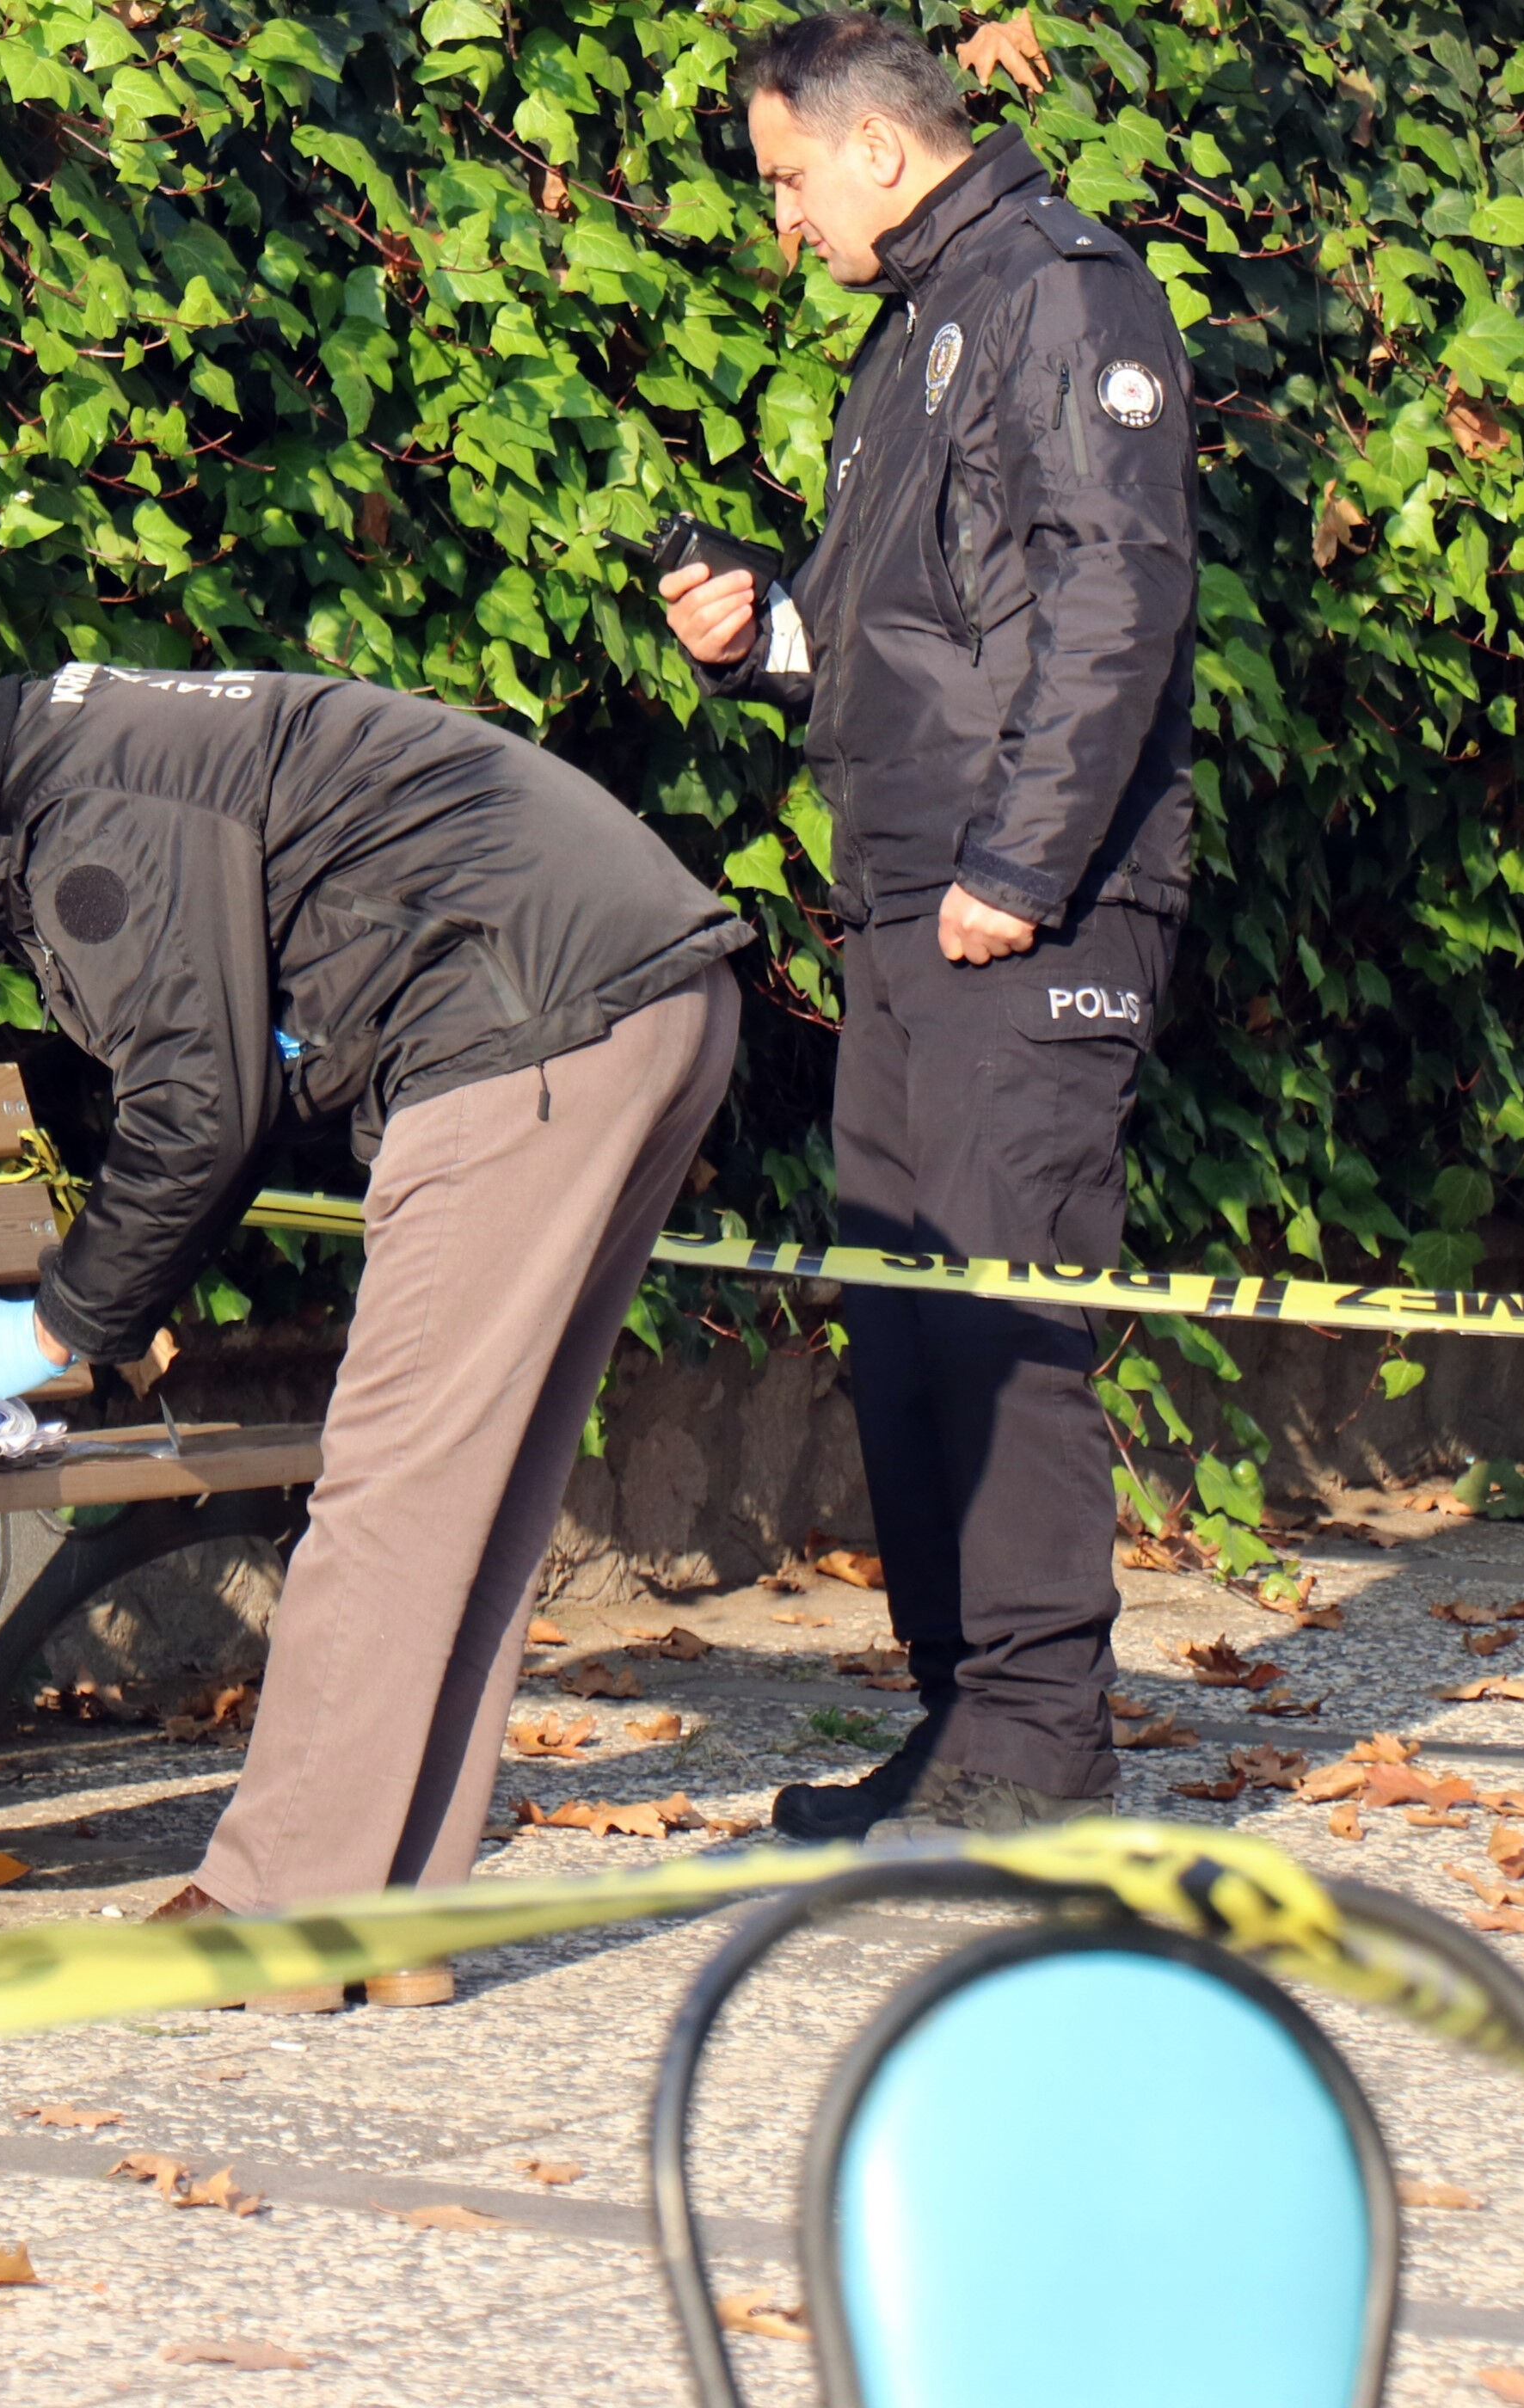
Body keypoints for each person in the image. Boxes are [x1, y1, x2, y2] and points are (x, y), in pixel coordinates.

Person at [0, 662, 747, 2002]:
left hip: (524, 1025)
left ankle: (270, 1910)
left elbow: (194, 1112)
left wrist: (57, 1327)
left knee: (389, 1484)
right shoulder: (95, 751)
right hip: (640, 990)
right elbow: (231, 1061)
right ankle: (389, 1920)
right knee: (476, 1489)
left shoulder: (91, 819)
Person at [658, 13, 1196, 1838]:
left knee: (996, 1313)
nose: (782, 220)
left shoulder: (1062, 294)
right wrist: (761, 628)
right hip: (904, 895)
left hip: (1019, 911)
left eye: (787, 179)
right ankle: (965, 1725)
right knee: (905, 1321)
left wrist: (1022, 872)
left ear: (877, 149)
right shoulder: (920, 325)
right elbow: (910, 628)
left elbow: (1116, 594)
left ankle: (1042, 1749)